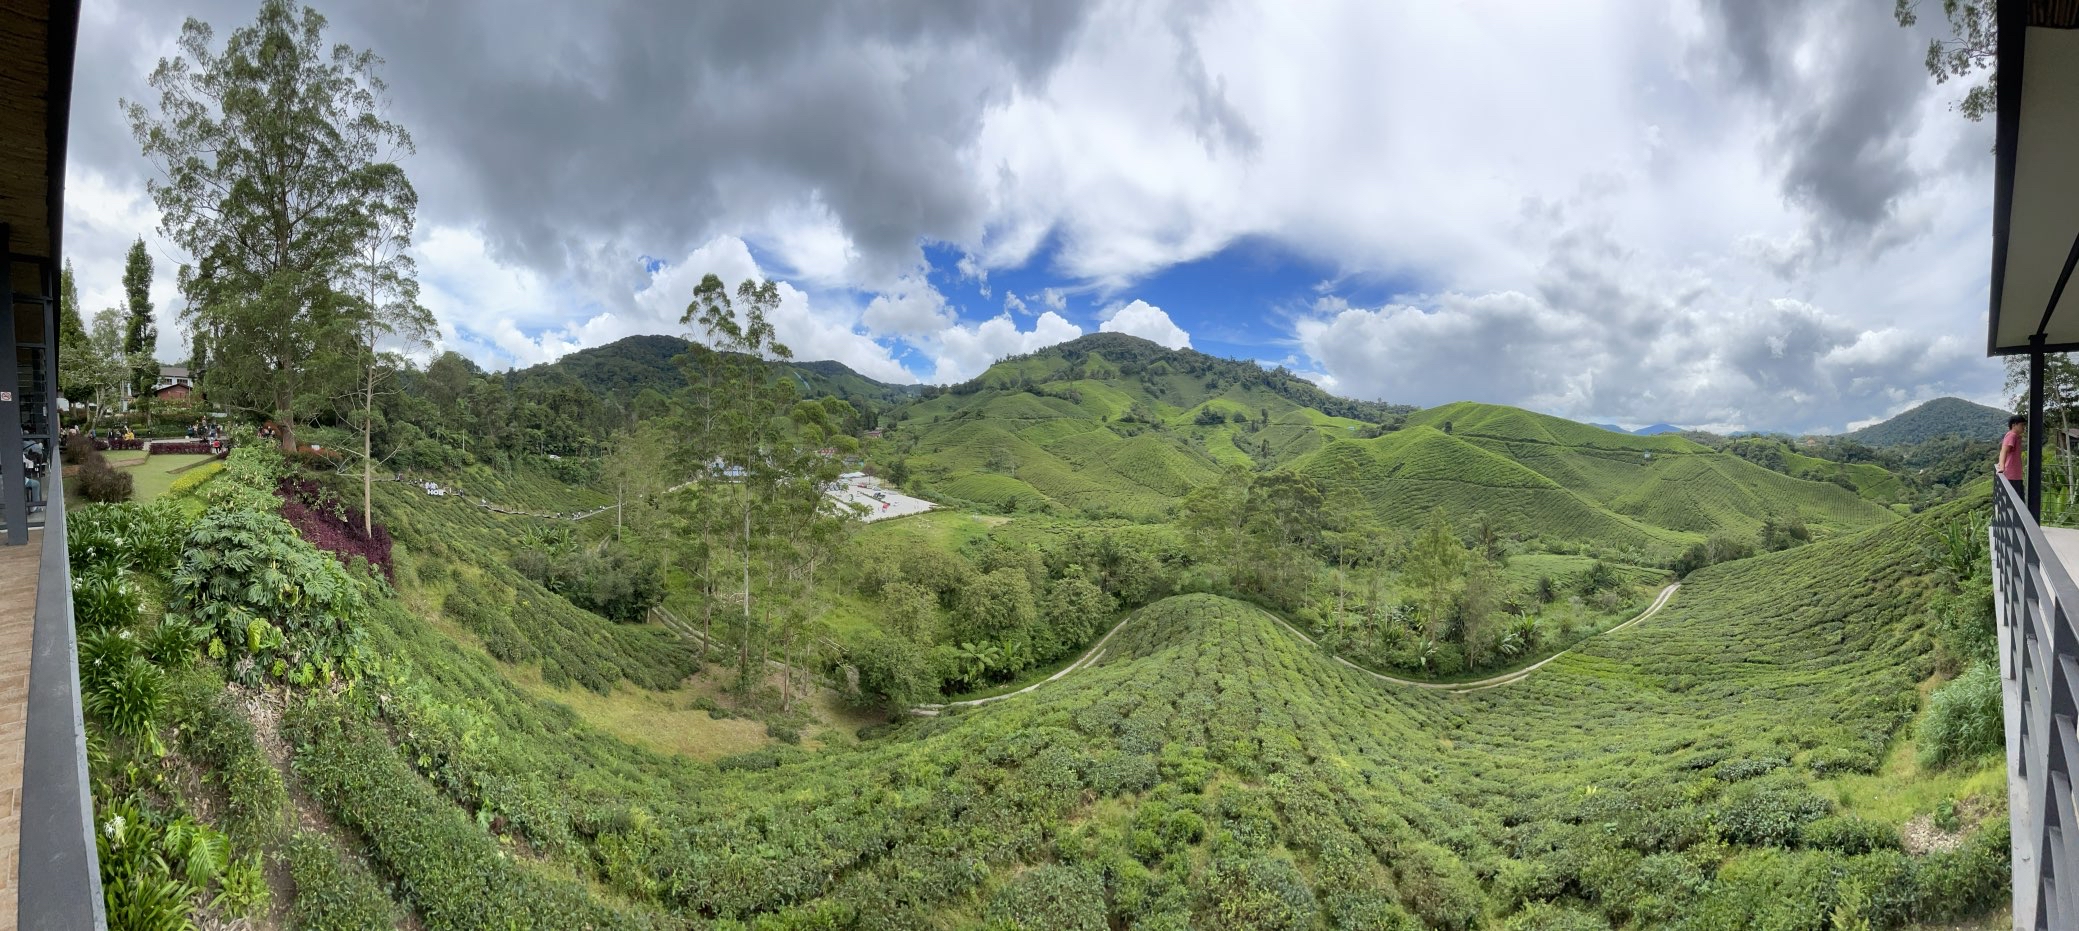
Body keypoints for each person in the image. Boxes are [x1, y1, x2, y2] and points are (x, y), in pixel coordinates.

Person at [1998, 414, 2027, 498]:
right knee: (2017, 502)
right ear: (2014, 425)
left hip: (2015, 475)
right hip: (2012, 475)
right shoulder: (2012, 435)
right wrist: (2002, 467)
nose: (2023, 427)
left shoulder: (2015, 436)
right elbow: (2004, 451)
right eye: (2022, 425)